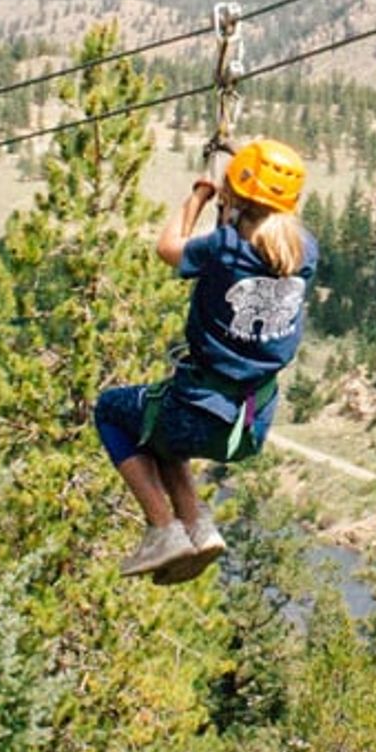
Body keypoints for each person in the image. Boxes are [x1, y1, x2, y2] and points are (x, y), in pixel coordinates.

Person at [94, 137, 318, 584]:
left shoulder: (222, 248)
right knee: (164, 437)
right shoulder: (304, 252)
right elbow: (265, 227)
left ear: (235, 196)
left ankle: (163, 527)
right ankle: (198, 525)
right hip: (249, 423)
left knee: (112, 411)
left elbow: (168, 248)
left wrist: (198, 197)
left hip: (196, 410)